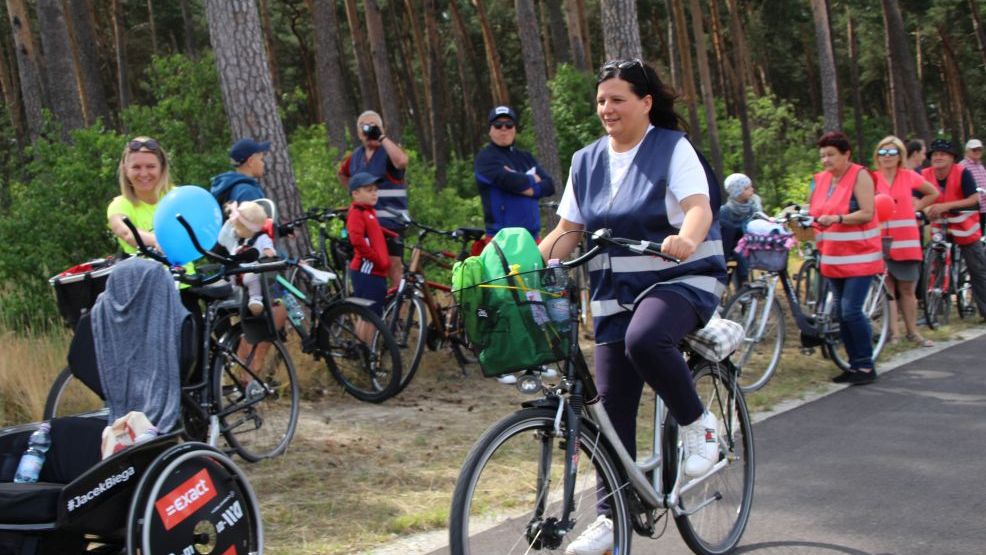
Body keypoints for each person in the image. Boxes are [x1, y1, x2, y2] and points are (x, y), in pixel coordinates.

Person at [537, 59, 726, 555]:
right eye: (601, 100)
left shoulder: (671, 148)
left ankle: (697, 424)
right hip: (613, 295)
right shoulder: (587, 160)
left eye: (617, 98)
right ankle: (610, 518)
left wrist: (686, 238)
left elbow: (698, 207)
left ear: (645, 103)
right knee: (610, 411)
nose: (607, 108)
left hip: (681, 281)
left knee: (647, 339)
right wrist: (519, 266)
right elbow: (567, 232)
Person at [809, 131, 883, 385]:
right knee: (841, 313)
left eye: (831, 155)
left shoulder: (860, 175)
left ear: (846, 154)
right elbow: (815, 212)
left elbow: (867, 212)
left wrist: (840, 219)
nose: (826, 160)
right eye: (822, 156)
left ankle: (865, 365)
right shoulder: (820, 180)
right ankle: (854, 365)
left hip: (860, 256)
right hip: (833, 257)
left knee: (851, 310)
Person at [871, 136, 939, 347]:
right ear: (877, 156)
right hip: (881, 238)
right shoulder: (872, 178)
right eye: (883, 153)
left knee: (907, 288)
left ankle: (913, 332)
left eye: (892, 152)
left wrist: (916, 207)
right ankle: (893, 334)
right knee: (887, 288)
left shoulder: (909, 176)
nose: (887, 157)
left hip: (906, 238)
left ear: (900, 155)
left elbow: (933, 193)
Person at [339, 111, 410, 288]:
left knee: (394, 266)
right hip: (365, 223)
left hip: (391, 221)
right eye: (364, 126)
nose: (369, 130)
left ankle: (399, 311)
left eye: (373, 125)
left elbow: (401, 161)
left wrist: (382, 137)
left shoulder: (388, 152)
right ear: (358, 132)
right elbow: (342, 173)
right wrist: (354, 193)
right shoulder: (356, 156)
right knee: (368, 266)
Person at [921, 138, 986, 322]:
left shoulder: (962, 172)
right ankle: (935, 311)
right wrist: (925, 209)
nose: (938, 157)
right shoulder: (924, 175)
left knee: (977, 268)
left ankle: (984, 309)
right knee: (935, 264)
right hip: (939, 227)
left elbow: (974, 199)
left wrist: (946, 206)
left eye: (943, 154)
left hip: (964, 226)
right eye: (934, 154)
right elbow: (914, 198)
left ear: (952, 158)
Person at [474, 106, 556, 243]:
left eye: (509, 124)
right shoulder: (485, 158)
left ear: (515, 128)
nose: (504, 129)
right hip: (501, 238)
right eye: (498, 125)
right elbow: (509, 181)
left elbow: (549, 185)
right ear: (490, 130)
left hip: (532, 238)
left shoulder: (526, 157)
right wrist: (532, 178)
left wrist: (526, 187)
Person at [346, 172, 397, 341]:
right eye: (369, 190)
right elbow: (357, 240)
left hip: (376, 271)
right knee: (369, 316)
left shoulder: (369, 211)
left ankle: (366, 350)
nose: (374, 193)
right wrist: (377, 258)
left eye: (375, 189)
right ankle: (365, 352)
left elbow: (373, 230)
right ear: (355, 193)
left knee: (371, 314)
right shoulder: (357, 213)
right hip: (367, 271)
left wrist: (391, 234)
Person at [107, 137, 173, 254]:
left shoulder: (177, 197)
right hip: (142, 271)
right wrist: (156, 241)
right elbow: (127, 233)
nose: (143, 173)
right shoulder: (119, 205)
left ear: (161, 168)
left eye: (150, 166)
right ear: (125, 170)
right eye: (136, 167)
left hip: (185, 272)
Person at [228, 201, 278, 315]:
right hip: (238, 270)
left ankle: (255, 299)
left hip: (253, 269)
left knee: (252, 278)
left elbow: (269, 249)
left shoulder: (262, 238)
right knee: (228, 273)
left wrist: (268, 251)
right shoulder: (241, 240)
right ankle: (232, 292)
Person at [719, 173, 762, 287]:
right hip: (731, 245)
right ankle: (743, 281)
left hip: (748, 242)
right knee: (740, 253)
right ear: (737, 192)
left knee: (743, 253)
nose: (752, 190)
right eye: (747, 188)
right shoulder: (725, 211)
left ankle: (743, 285)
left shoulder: (752, 208)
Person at [209, 138, 271, 210]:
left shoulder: (229, 185)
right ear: (250, 161)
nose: (263, 164)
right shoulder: (248, 192)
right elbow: (254, 221)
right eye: (261, 159)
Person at [959, 138, 986, 235]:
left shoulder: (980, 166)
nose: (977, 152)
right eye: (974, 150)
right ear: (967, 151)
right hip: (971, 208)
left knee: (982, 233)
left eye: (979, 149)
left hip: (983, 207)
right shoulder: (962, 166)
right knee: (973, 234)